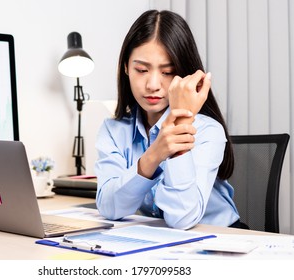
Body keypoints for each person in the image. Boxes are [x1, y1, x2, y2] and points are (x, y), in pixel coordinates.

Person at [94, 10, 242, 229]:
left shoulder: (208, 130)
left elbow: (182, 218)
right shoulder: (113, 130)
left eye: (168, 72)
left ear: (185, 74)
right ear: (126, 67)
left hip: (222, 241)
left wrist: (181, 125)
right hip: (163, 243)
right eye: (142, 69)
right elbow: (109, 207)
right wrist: (154, 154)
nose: (153, 84)